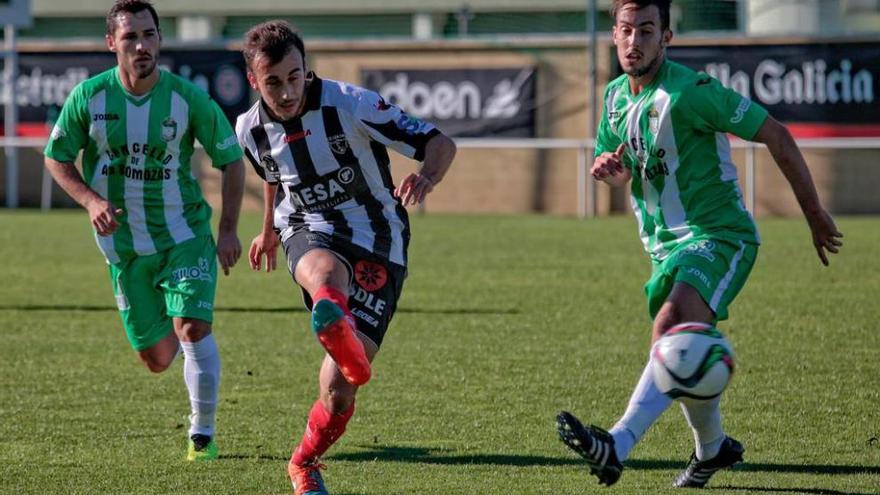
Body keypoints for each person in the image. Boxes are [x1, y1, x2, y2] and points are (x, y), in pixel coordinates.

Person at [556, 0, 843, 488]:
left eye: (646, 30)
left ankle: (616, 445)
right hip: (664, 248)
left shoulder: (691, 93)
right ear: (613, 36)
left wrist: (813, 212)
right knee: (679, 352)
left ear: (667, 37)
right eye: (626, 30)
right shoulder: (613, 98)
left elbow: (775, 134)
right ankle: (712, 450)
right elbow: (620, 163)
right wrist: (609, 171)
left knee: (671, 329)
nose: (634, 41)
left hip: (720, 236)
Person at [235, 20, 456, 495]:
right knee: (324, 269)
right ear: (254, 81)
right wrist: (268, 229)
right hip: (308, 228)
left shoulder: (351, 104)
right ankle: (331, 311)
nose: (287, 91)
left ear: (306, 67)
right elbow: (276, 174)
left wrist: (428, 178)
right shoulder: (248, 129)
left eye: (294, 76)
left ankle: (304, 461)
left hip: (379, 237)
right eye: (272, 82)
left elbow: (440, 142)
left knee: (340, 391)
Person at [43, 0, 245, 462]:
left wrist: (229, 230)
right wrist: (92, 201)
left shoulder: (186, 97)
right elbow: (56, 157)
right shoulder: (90, 98)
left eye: (149, 34)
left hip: (184, 234)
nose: (141, 45)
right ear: (111, 43)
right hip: (125, 247)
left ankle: (203, 434)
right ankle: (183, 346)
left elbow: (231, 160)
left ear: (160, 39)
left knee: (193, 327)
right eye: (130, 36)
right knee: (157, 359)